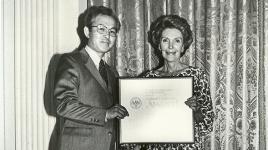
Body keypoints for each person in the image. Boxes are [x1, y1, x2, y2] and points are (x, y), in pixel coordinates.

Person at [122, 15, 214, 150]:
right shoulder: (147, 78)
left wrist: (197, 110)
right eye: (165, 40)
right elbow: (138, 124)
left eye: (177, 41)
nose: (171, 46)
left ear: (183, 46)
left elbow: (208, 125)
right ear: (159, 45)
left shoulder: (197, 76)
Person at [51, 6, 129, 150]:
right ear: (87, 32)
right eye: (101, 29)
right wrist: (105, 114)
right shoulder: (70, 61)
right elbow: (62, 105)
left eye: (112, 32)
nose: (107, 35)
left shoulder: (112, 73)